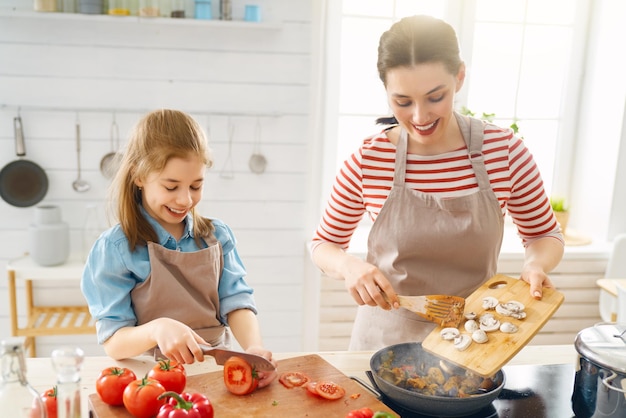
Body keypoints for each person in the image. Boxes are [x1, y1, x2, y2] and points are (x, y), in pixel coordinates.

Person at [309, 15, 564, 351]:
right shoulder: (370, 159)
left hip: (474, 342)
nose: (419, 117)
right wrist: (348, 266)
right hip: (383, 342)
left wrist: (535, 264)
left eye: (435, 97)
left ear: (459, 76)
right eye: (403, 102)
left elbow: (544, 233)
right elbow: (323, 244)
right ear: (386, 90)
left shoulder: (504, 152)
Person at [81, 109, 276, 387]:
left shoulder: (216, 236)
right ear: (139, 175)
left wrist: (253, 349)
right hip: (150, 379)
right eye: (171, 187)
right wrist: (158, 328)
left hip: (217, 374)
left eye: (196, 186)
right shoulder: (115, 248)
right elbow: (114, 342)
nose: (185, 200)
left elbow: (236, 302)